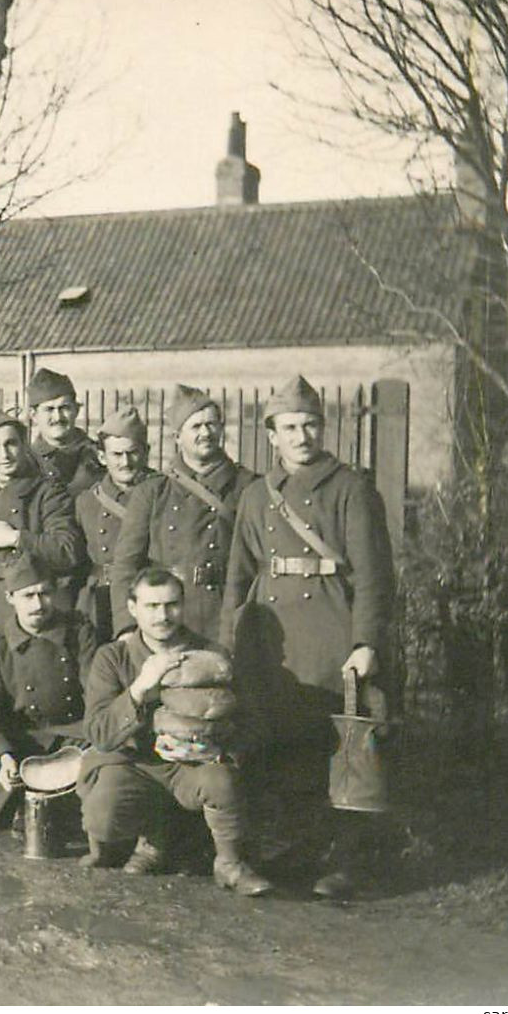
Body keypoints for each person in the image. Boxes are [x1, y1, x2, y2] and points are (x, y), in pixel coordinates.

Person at [223, 375, 396, 900]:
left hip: (331, 626)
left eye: (310, 425)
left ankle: (346, 859)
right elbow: (238, 574)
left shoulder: (350, 488)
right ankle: (298, 848)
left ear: (324, 429)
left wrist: (365, 640)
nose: (302, 437)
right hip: (276, 638)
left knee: (341, 743)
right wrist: (230, 644)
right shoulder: (257, 495)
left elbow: (373, 574)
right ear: (271, 434)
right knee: (287, 743)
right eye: (290, 427)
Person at [77, 567, 273, 896]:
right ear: (132, 608)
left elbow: (251, 721)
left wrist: (224, 750)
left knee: (220, 781)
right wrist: (139, 689)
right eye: (151, 606)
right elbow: (99, 732)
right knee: (102, 816)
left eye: (172, 605)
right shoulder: (113, 657)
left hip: (191, 768)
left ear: (184, 605)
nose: (163, 616)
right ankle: (155, 837)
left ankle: (228, 864)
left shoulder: (211, 656)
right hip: (135, 766)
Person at [0, 554, 97, 832]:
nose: (38, 604)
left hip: (72, 736)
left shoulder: (78, 633)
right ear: (10, 597)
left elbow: (96, 692)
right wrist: (1, 756)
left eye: (45, 594)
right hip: (19, 740)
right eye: (28, 596)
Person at [111, 384, 258, 639]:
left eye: (212, 424)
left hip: (230, 611)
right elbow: (126, 565)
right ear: (177, 437)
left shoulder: (247, 486)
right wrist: (126, 627)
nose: (206, 433)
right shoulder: (153, 491)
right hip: (168, 615)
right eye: (195, 427)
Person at [0, 409, 85, 627]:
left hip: (39, 609)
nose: (4, 455)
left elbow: (67, 550)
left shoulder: (47, 494)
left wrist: (16, 538)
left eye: (11, 444)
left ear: (25, 446)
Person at [74, 406, 153, 641]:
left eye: (132, 453)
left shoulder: (162, 491)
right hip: (98, 601)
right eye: (116, 455)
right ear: (101, 457)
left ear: (146, 452)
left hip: (145, 597)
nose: (125, 462)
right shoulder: (87, 500)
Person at [27, 368, 103, 497]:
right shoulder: (26, 462)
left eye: (64, 408)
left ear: (76, 410)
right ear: (34, 415)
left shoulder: (100, 456)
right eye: (49, 409)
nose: (58, 417)